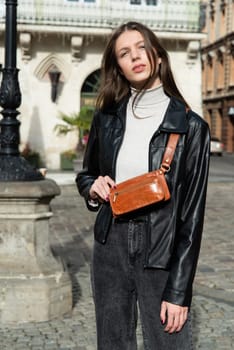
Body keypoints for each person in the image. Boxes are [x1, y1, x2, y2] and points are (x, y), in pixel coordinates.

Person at [76, 21, 210, 350]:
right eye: (124, 53)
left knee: (169, 344)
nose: (134, 56)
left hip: (161, 248)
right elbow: (86, 174)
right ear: (118, 66)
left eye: (140, 47)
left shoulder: (191, 127)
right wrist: (93, 188)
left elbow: (191, 218)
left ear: (158, 56)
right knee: (113, 342)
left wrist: (179, 291)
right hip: (111, 244)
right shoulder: (106, 118)